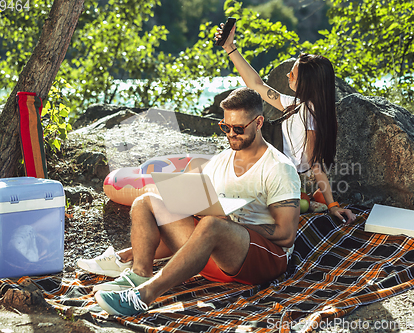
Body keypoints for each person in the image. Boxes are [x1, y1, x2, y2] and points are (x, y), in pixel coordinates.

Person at [92, 87, 302, 316]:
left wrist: (231, 224)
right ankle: (138, 276)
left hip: (262, 260)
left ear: (259, 122)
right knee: (145, 202)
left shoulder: (278, 168)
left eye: (239, 128)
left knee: (212, 224)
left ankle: (143, 297)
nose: (231, 134)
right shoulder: (221, 160)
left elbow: (286, 235)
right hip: (212, 255)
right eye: (225, 127)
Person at [215, 21, 356, 224]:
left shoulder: (310, 111)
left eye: (293, 74)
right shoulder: (296, 105)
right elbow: (256, 84)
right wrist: (230, 48)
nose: (288, 75)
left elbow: (315, 163)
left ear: (306, 83)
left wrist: (332, 205)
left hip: (275, 175)